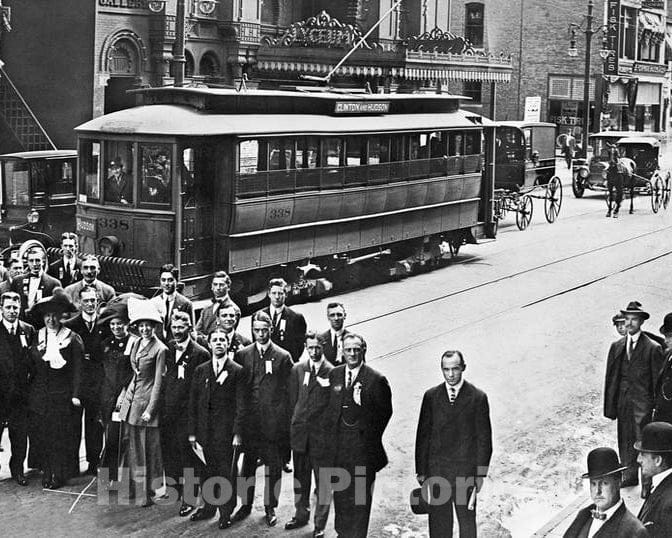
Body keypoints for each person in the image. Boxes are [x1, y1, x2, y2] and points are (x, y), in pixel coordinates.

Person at [415, 350, 492, 538]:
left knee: (466, 525)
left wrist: (479, 475)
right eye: (446, 369)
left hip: (464, 475)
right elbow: (423, 435)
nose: (450, 375)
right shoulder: (431, 396)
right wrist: (421, 471)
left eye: (455, 369)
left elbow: (484, 441)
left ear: (463, 368)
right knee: (439, 526)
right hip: (437, 473)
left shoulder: (477, 397)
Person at [322, 333, 392, 538]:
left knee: (360, 501)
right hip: (340, 452)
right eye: (348, 349)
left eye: (356, 349)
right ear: (342, 351)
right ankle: (342, 534)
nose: (352, 354)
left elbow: (384, 414)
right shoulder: (335, 374)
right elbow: (330, 410)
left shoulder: (376, 379)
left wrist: (363, 411)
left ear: (363, 351)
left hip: (363, 453)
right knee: (342, 498)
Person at [232, 311, 293, 527]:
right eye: (256, 330)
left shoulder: (283, 357)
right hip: (250, 424)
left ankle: (270, 506)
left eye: (264, 330)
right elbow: (238, 390)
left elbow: (289, 393)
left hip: (273, 426)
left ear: (271, 330)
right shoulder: (243, 355)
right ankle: (245, 504)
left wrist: (283, 424)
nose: (260, 334)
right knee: (247, 466)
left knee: (273, 467)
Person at [188, 328, 247, 529]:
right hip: (204, 432)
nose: (219, 343)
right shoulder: (201, 370)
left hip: (226, 433)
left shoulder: (237, 370)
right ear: (210, 344)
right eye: (215, 340)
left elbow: (241, 404)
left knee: (225, 472)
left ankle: (225, 511)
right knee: (206, 470)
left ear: (228, 344)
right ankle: (208, 507)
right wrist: (192, 433)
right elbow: (193, 403)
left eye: (223, 340)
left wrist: (238, 433)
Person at [26, 288, 83, 489]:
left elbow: (78, 370)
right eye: (47, 316)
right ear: (43, 317)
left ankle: (58, 474)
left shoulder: (72, 337)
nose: (51, 319)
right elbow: (31, 367)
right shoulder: (36, 336)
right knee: (44, 434)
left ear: (60, 316)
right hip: (41, 394)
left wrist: (75, 395)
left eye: (54, 315)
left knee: (60, 435)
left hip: (62, 394)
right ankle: (47, 471)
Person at [604, 301, 664, 488]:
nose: (629, 324)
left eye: (634, 320)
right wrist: (612, 405)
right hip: (624, 403)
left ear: (641, 322)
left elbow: (657, 382)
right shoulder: (618, 346)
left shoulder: (652, 348)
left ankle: (646, 483)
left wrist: (654, 409)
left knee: (643, 442)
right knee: (625, 439)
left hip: (643, 405)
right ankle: (629, 476)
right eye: (627, 319)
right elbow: (611, 378)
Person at [118, 298, 167, 507]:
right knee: (131, 448)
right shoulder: (136, 342)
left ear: (155, 326)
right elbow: (134, 373)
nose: (145, 329)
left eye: (149, 325)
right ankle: (130, 490)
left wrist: (150, 409)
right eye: (141, 325)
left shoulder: (160, 349)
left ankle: (144, 494)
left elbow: (158, 382)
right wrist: (123, 397)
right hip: (131, 402)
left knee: (146, 451)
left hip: (146, 404)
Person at [160, 310, 209, 517]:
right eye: (174, 327)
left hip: (186, 415)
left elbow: (200, 392)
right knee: (169, 453)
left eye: (181, 328)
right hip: (167, 412)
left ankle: (189, 499)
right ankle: (174, 490)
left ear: (189, 328)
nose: (177, 331)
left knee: (187, 457)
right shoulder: (169, 348)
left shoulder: (200, 354)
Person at [285, 332, 334, 536]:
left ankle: (319, 525)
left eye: (317, 348)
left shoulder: (332, 371)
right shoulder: (298, 369)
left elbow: (333, 408)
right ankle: (300, 514)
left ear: (323, 347)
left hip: (321, 440)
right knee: (300, 479)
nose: (313, 352)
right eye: (310, 348)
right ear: (305, 347)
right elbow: (292, 401)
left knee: (323, 484)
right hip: (300, 437)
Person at [64, 286, 110, 475]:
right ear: (79, 303)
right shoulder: (71, 325)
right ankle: (72, 464)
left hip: (96, 383)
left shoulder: (105, 325)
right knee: (73, 426)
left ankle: (93, 462)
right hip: (77, 382)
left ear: (98, 302)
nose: (90, 304)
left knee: (94, 426)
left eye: (93, 300)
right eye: (86, 301)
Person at [563, 447, 647, 537]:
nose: (598, 491)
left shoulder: (635, 531)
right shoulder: (584, 515)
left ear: (619, 481)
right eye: (593, 484)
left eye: (604, 483)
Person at [0, 292, 36, 485]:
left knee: (20, 436)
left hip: (21, 395)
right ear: (1, 309)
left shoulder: (28, 330)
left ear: (20, 308)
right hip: (0, 394)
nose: (12, 311)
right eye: (8, 307)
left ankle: (18, 471)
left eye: (15, 307)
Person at [99, 313, 133, 483]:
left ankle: (121, 477)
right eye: (113, 324)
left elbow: (134, 371)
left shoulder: (134, 343)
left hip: (124, 396)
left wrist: (124, 392)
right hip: (107, 395)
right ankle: (109, 477)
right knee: (109, 435)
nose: (116, 327)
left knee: (121, 437)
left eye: (120, 324)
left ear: (126, 324)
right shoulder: (105, 344)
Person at [255, 278, 307, 363]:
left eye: (280, 293)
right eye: (274, 293)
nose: (277, 297)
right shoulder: (257, 316)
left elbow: (299, 346)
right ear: (268, 294)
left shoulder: (296, 318)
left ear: (286, 294)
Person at [636, 422, 672, 537]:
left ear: (658, 460)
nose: (638, 459)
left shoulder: (668, 505)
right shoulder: (661, 485)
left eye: (642, 454)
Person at [11, 244, 61, 327]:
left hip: (42, 326)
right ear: (27, 262)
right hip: (21, 325)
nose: (34, 264)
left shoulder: (54, 283)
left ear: (43, 261)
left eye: (37, 260)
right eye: (31, 260)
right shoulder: (17, 281)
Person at [149, 263, 194, 342]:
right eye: (163, 280)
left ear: (176, 281)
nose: (166, 284)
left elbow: (191, 331)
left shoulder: (186, 304)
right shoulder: (154, 302)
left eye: (170, 280)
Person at [195, 271, 237, 339]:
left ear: (228, 287)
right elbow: (197, 330)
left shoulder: (234, 309)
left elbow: (227, 335)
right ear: (211, 287)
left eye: (221, 285)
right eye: (215, 284)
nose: (218, 287)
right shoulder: (206, 307)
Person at [652, 313, 672, 424]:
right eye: (665, 336)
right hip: (663, 419)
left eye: (670, 336)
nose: (666, 340)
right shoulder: (668, 355)